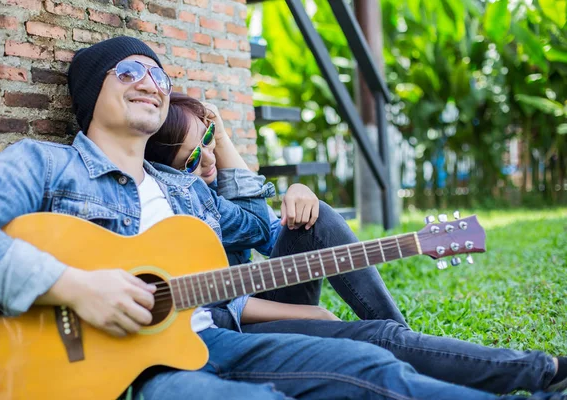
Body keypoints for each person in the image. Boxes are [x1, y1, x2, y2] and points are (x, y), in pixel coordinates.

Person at [0, 36, 564, 400]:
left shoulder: (184, 194)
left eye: (159, 76)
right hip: (131, 374)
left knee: (374, 364)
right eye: (129, 72)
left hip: (219, 340)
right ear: (92, 91)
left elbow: (267, 231)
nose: (150, 83)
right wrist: (76, 286)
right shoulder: (45, 165)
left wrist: (297, 192)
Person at [145, 92, 567, 396]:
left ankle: (402, 338)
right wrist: (304, 310)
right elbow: (218, 306)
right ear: (169, 169)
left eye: (209, 142)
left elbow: (270, 232)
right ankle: (532, 370)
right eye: (192, 157)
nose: (210, 159)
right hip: (231, 326)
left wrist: (298, 193)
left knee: (320, 217)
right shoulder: (174, 202)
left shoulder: (207, 185)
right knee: (372, 341)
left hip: (252, 295)